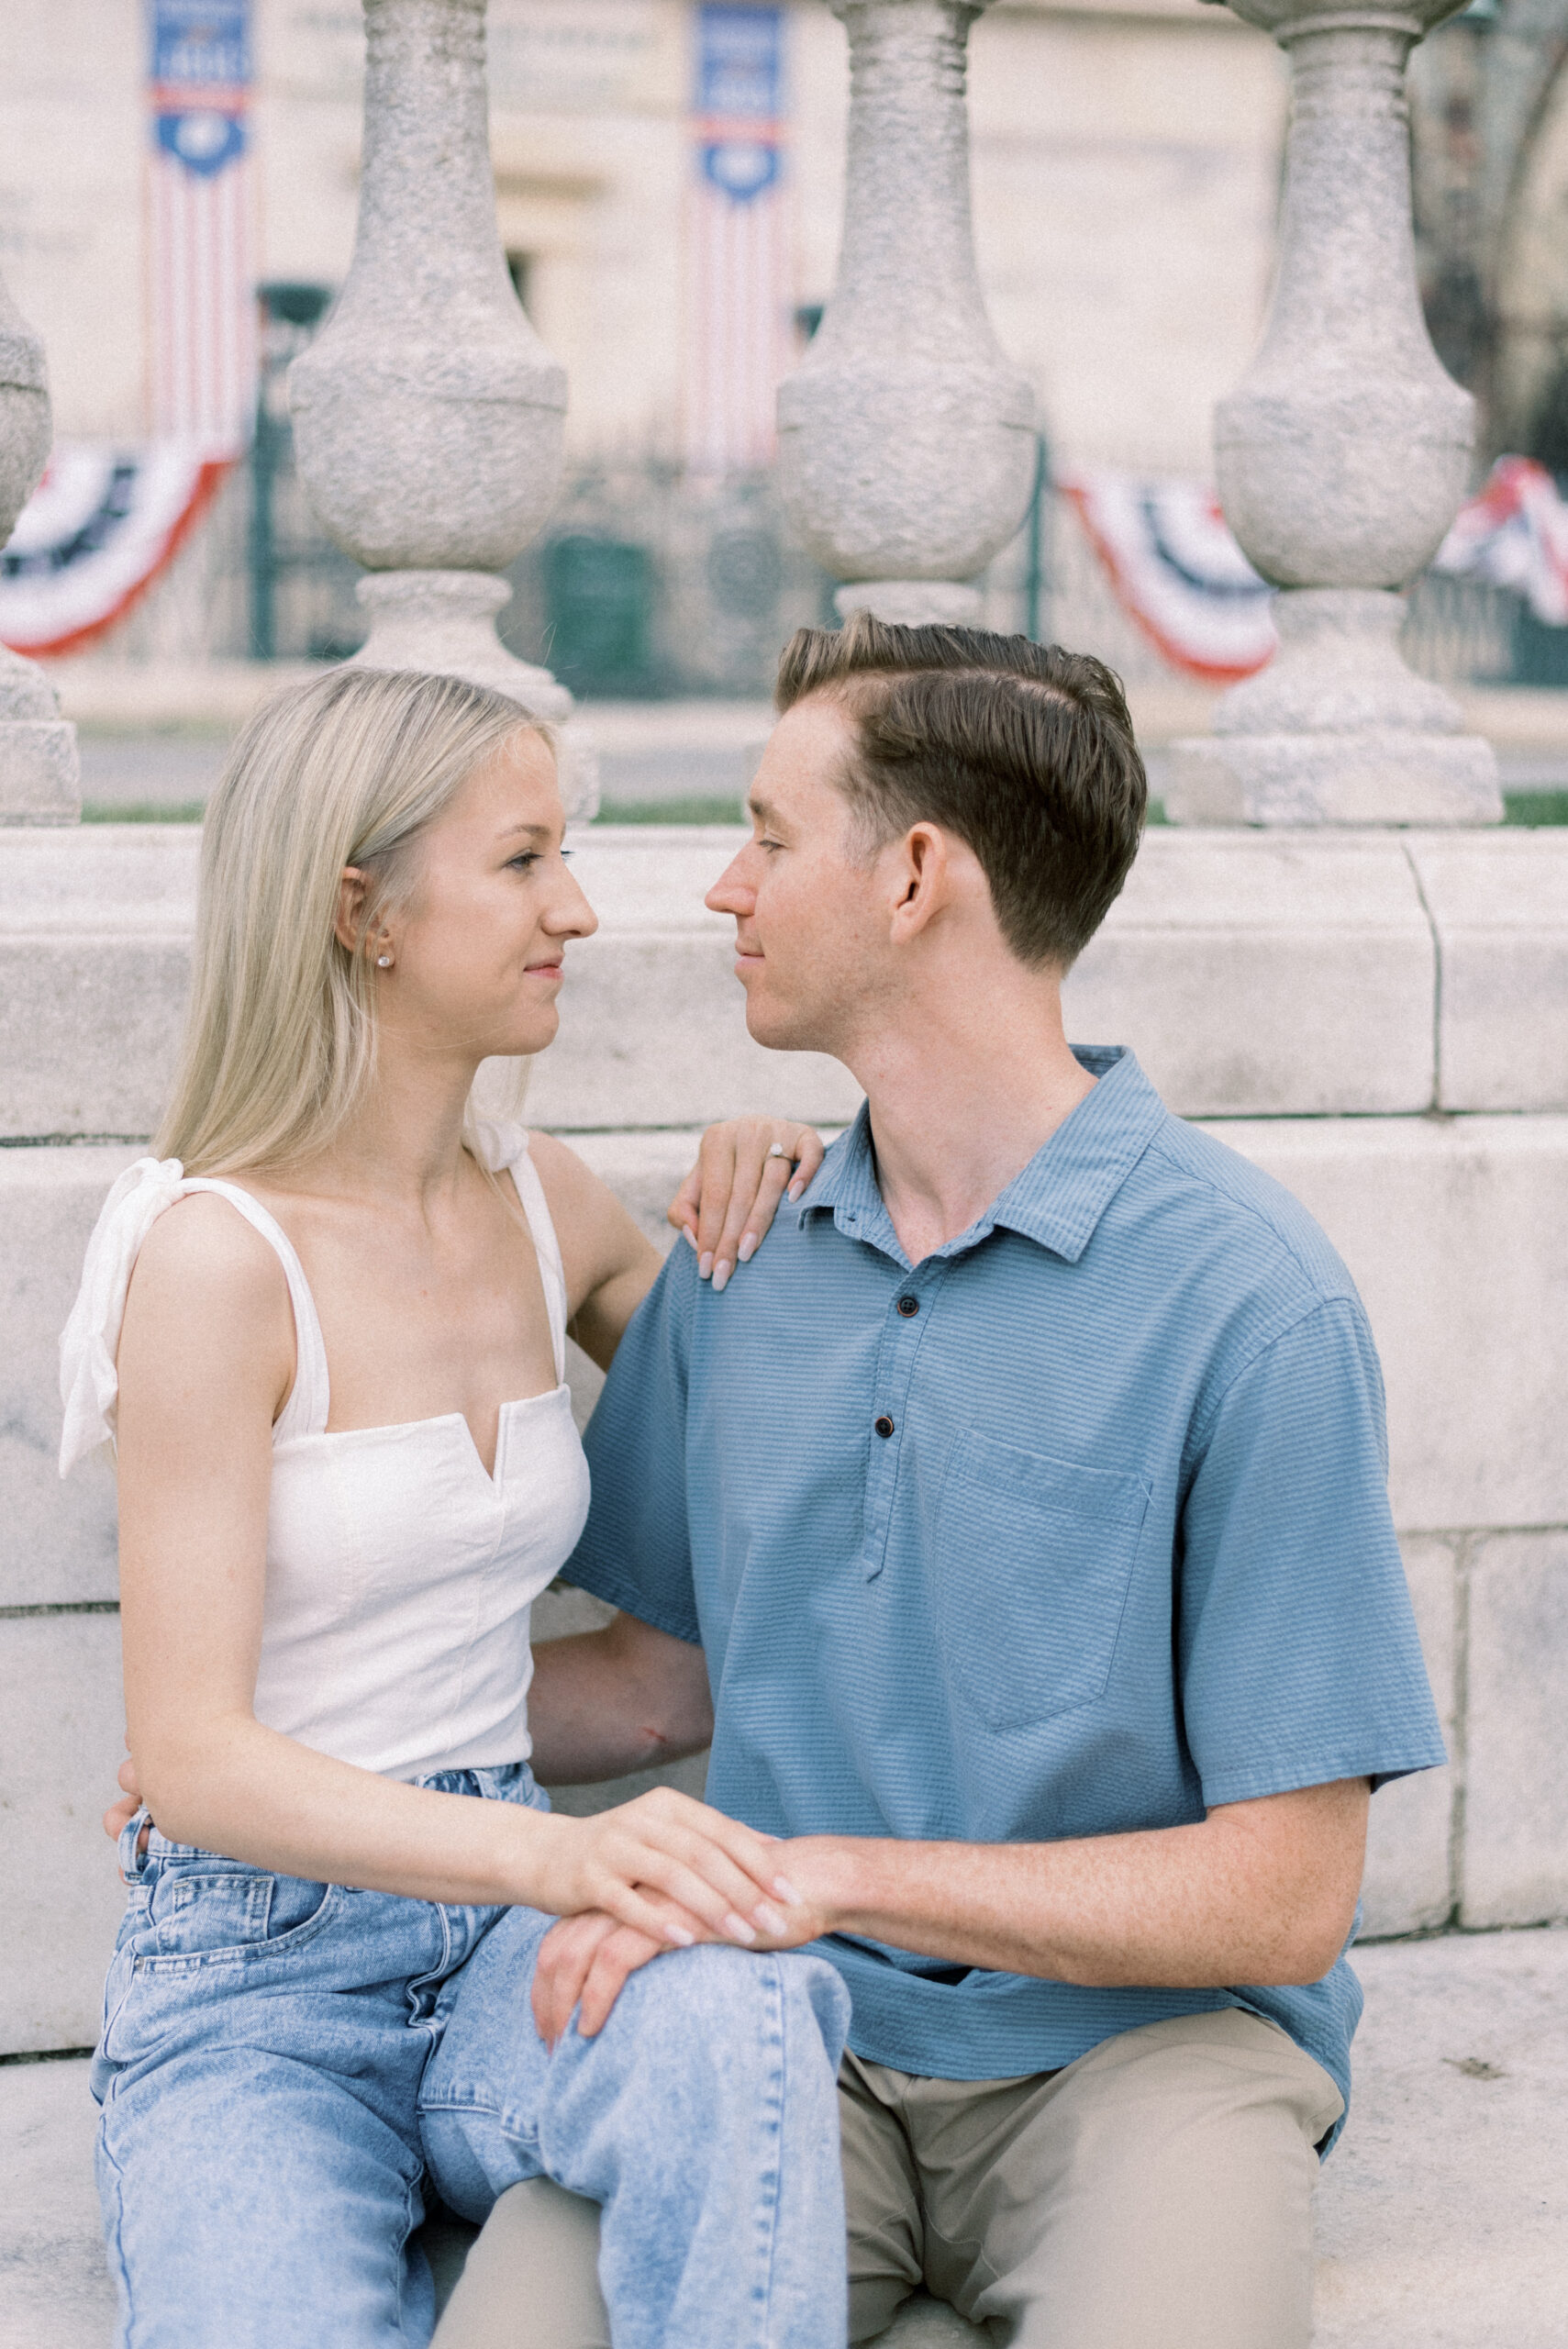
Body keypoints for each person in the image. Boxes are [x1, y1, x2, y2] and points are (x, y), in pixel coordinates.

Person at [425, 616, 1447, 2349]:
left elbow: (1283, 1892)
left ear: (912, 876)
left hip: (1138, 2058)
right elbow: (660, 1680)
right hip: (769, 2037)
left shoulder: (1247, 1299)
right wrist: (277, 1749)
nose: (719, 893)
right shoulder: (743, 1254)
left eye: (764, 836)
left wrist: (837, 1873)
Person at [63, 663, 852, 2349]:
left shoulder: (542, 1202)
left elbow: (782, 1380)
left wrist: (775, 1168)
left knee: (747, 2013)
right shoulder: (215, 1258)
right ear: (362, 910)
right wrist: (560, 1860)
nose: (575, 906)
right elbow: (191, 1756)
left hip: (509, 1947)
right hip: (254, 1986)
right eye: (521, 862)